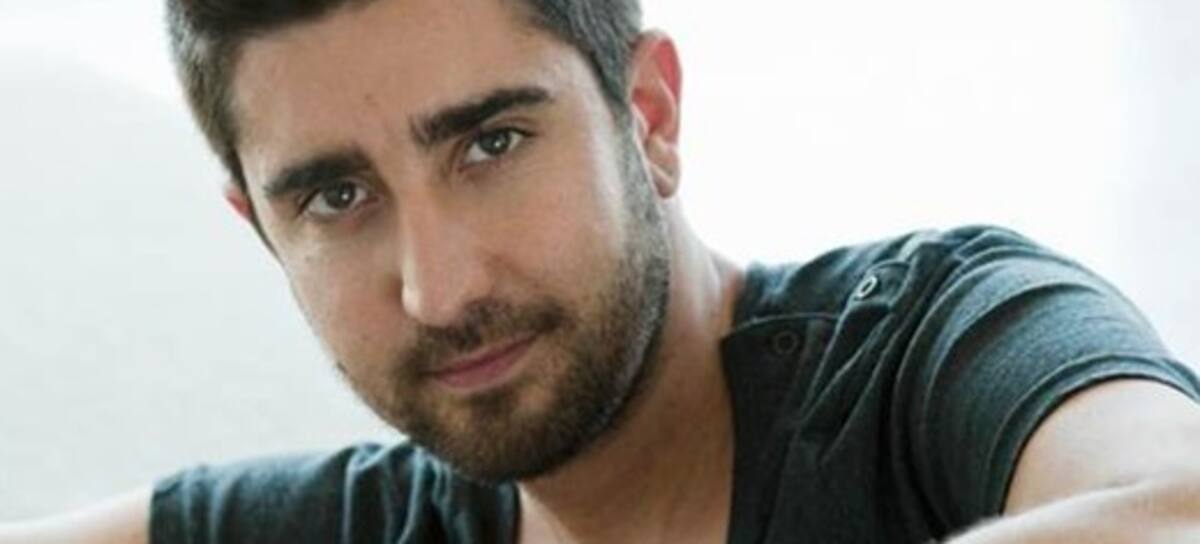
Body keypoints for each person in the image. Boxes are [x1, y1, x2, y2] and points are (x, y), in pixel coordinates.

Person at [4, 0, 1200, 542]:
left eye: (491, 144)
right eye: (336, 197)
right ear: (263, 228)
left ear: (650, 113)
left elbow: (1175, 503)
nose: (438, 289)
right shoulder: (369, 519)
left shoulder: (934, 348)